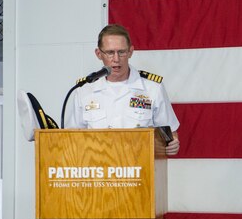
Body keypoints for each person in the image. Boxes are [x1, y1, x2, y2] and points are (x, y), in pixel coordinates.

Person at [65, 24, 181, 156]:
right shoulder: (84, 91)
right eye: (110, 53)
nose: (116, 59)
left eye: (121, 52)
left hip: (140, 168)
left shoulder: (152, 89)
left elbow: (169, 132)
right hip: (97, 168)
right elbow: (72, 137)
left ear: (130, 52)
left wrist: (173, 143)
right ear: (98, 54)